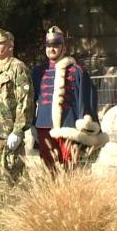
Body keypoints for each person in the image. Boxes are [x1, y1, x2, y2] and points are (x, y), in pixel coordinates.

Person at [31, 26, 104, 169]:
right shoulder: (38, 72)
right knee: (48, 169)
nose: (51, 49)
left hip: (68, 127)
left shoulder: (77, 71)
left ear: (63, 48)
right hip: (43, 126)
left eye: (56, 46)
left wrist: (86, 122)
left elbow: (87, 98)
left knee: (70, 167)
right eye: (48, 46)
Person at [0, 27, 33, 191]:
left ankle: (13, 214)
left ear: (10, 45)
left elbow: (25, 100)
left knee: (10, 180)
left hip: (7, 134)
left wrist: (18, 130)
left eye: (0, 44)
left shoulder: (18, 67)